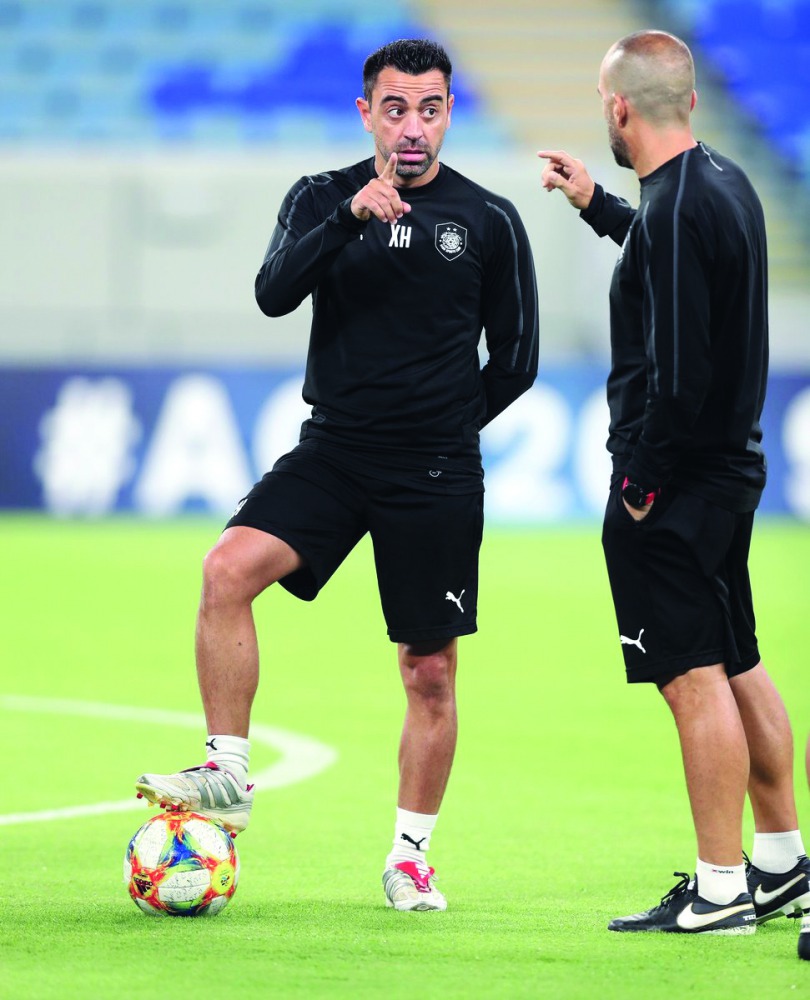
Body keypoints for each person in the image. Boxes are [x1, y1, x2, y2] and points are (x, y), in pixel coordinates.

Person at [135, 38, 539, 912]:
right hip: (335, 449)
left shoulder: (492, 218)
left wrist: (444, 425)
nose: (412, 126)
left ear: (448, 113)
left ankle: (410, 856)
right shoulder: (323, 196)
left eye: (430, 108)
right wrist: (351, 218)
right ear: (368, 114)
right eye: (395, 108)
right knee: (225, 570)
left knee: (428, 670)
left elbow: (516, 360)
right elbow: (273, 292)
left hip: (434, 468)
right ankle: (228, 772)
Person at [539, 29, 809, 937]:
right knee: (738, 663)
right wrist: (595, 206)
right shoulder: (723, 185)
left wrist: (641, 485)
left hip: (679, 484)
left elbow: (679, 377)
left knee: (691, 679)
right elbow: (665, 259)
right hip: (730, 475)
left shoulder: (675, 208)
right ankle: (777, 863)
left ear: (620, 108)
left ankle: (721, 887)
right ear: (688, 100)